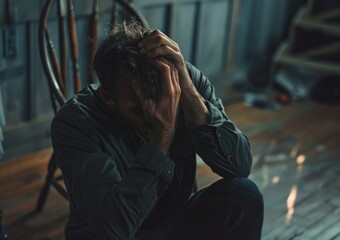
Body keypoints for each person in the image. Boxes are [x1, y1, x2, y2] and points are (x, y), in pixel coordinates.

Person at [51, 19, 264, 240]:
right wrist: (163, 133)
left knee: (244, 194)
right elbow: (114, 228)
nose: (155, 116)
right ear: (108, 97)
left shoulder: (181, 81)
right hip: (112, 232)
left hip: (172, 220)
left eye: (163, 102)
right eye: (138, 110)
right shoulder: (75, 121)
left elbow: (239, 166)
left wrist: (188, 92)